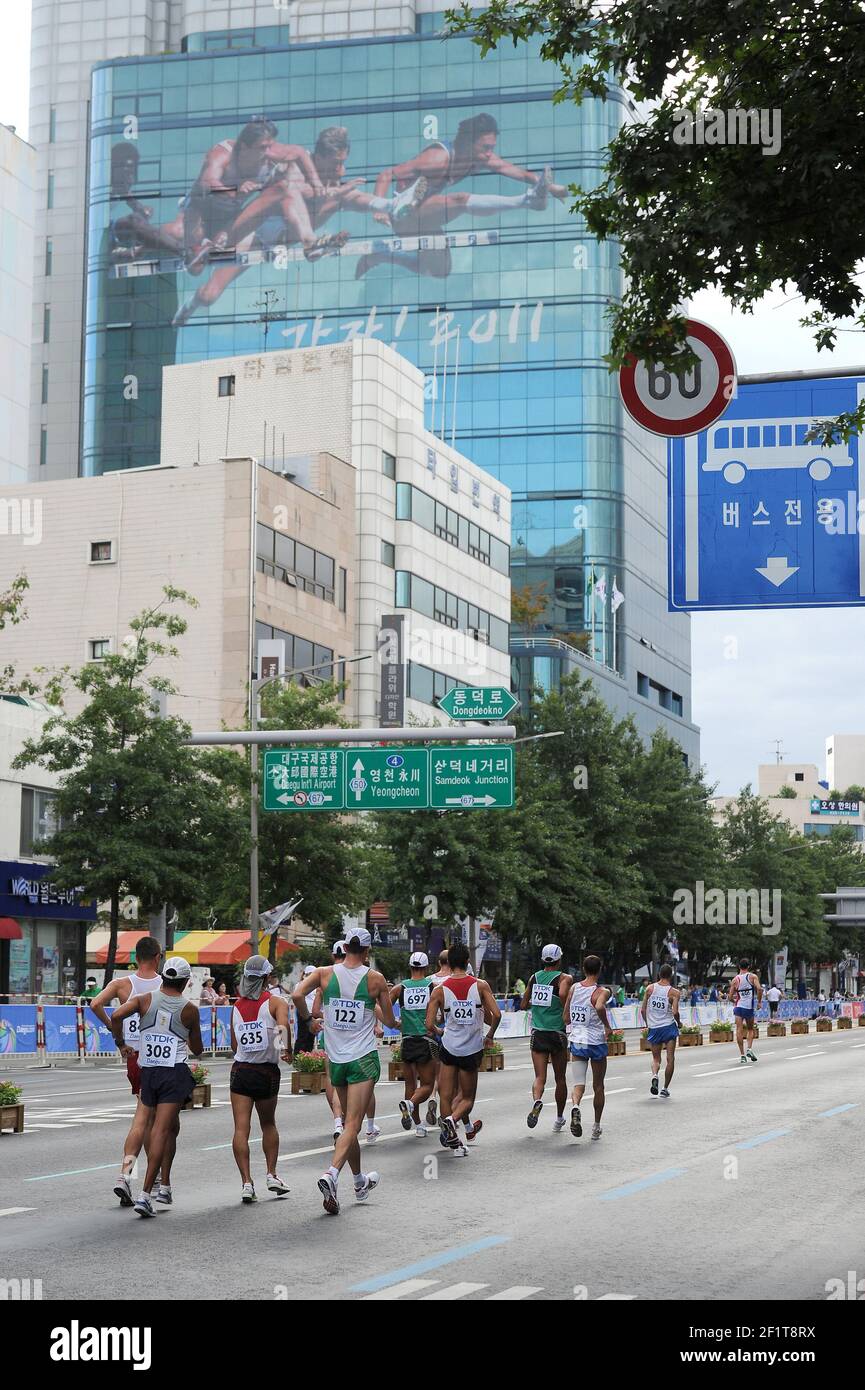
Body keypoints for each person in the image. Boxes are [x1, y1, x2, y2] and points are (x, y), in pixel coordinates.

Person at [356, 111, 569, 278]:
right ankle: (526, 200)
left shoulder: (481, 157)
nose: (489, 153)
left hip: (426, 216)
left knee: (439, 271)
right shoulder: (438, 158)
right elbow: (386, 174)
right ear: (468, 141)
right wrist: (379, 209)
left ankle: (381, 256)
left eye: (492, 148)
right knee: (459, 200)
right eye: (485, 147)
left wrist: (551, 187)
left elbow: (518, 172)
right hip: (401, 215)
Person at [292, 928, 396, 1215]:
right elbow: (387, 1019)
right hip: (362, 1059)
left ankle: (359, 1181)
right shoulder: (375, 979)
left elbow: (297, 993)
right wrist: (395, 1022)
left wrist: (310, 1021)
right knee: (352, 1126)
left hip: (336, 1061)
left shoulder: (325, 973)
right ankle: (331, 1174)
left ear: (345, 948)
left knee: (348, 1127)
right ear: (366, 952)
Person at [109, 957, 204, 1218]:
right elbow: (197, 1049)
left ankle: (125, 1175)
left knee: (140, 1125)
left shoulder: (143, 999)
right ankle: (146, 1194)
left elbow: (115, 1015)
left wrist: (120, 1043)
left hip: (148, 1071)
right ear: (185, 983)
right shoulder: (189, 1009)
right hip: (173, 1073)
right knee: (162, 1130)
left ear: (163, 977)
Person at [88, 935, 164, 1207]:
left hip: (133, 1056)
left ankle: (134, 1177)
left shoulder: (122, 984)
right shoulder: (165, 984)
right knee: (150, 1122)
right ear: (157, 957)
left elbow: (95, 1003)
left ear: (136, 958)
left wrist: (114, 1031)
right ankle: (133, 1177)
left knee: (145, 1119)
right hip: (158, 1057)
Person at [425, 940, 502, 1157]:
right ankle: (452, 1122)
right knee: (467, 1099)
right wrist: (489, 1036)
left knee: (446, 1097)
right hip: (472, 1048)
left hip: (449, 1047)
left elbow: (429, 1024)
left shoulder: (439, 990)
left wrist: (440, 1033)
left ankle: (453, 1139)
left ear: (448, 963)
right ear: (467, 961)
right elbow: (496, 1014)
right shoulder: (480, 985)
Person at [229, 955, 292, 1203]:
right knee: (268, 1124)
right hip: (265, 1072)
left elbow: (234, 1044)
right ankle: (271, 1174)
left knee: (241, 1129)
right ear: (267, 978)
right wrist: (286, 1051)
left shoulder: (236, 1006)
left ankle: (246, 1183)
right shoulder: (276, 1002)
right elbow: (283, 1028)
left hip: (241, 1071)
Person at [521, 943, 572, 1133]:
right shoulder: (564, 978)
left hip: (538, 1032)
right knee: (560, 1079)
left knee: (539, 1077)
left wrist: (538, 1001)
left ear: (543, 959)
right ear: (559, 959)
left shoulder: (534, 978)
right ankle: (559, 1118)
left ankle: (538, 1101)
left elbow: (524, 1004)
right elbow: (564, 996)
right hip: (557, 1032)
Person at [563, 955, 612, 1141]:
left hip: (579, 1039)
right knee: (598, 1086)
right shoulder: (603, 991)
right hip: (596, 1040)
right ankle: (596, 1127)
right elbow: (599, 1007)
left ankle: (575, 1106)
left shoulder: (574, 988)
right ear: (599, 970)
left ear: (583, 969)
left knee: (578, 1084)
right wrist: (607, 1026)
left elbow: (566, 1016)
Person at [390, 951, 438, 1137]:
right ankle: (410, 1105)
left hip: (407, 1040)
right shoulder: (432, 987)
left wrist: (394, 1023)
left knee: (410, 1085)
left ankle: (418, 1124)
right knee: (427, 1085)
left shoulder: (399, 988)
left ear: (410, 967)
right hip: (425, 1040)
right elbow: (442, 1012)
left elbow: (383, 1005)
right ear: (426, 968)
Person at [640, 964, 681, 1097]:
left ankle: (655, 1075)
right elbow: (675, 1012)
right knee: (670, 1059)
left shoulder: (650, 989)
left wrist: (648, 1023)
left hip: (654, 1027)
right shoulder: (674, 993)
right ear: (671, 976)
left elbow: (642, 1009)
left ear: (659, 974)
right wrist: (679, 1022)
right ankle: (664, 1088)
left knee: (656, 1058)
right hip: (669, 1027)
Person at [729, 958, 762, 1063]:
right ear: (748, 967)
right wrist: (759, 1002)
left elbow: (729, 997)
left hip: (738, 1007)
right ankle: (749, 1049)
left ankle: (742, 1055)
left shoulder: (735, 980)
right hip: (748, 1007)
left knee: (739, 1030)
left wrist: (735, 1001)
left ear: (739, 967)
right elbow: (759, 989)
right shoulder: (752, 977)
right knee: (750, 1029)